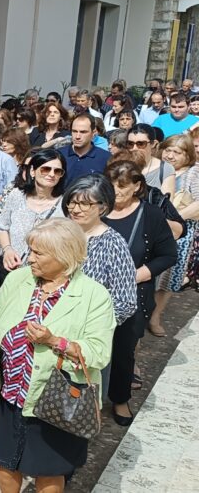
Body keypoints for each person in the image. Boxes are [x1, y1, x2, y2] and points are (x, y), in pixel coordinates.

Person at [0, 218, 115, 493]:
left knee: (49, 469)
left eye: (39, 253)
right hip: (13, 392)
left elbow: (99, 352)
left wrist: (54, 341)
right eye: (31, 250)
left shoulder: (94, 296)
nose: (31, 259)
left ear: (64, 256)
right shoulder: (19, 279)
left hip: (55, 398)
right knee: (5, 461)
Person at [102, 161, 177, 424]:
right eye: (111, 185)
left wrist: (134, 276)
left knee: (123, 349)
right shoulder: (96, 209)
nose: (117, 191)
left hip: (132, 294)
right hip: (94, 293)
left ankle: (120, 399)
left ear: (137, 186)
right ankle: (87, 398)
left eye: (123, 186)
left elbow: (168, 255)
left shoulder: (150, 215)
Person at [62, 174, 138, 326]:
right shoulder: (59, 233)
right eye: (72, 202)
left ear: (102, 207)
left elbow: (125, 302)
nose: (76, 210)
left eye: (85, 204)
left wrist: (88, 324)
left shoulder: (113, 244)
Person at [0, 149, 67, 287]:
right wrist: (8, 250)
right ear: (33, 171)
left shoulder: (65, 204)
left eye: (57, 171)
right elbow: (2, 227)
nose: (52, 174)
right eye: (46, 169)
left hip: (46, 277)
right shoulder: (16, 195)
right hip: (12, 271)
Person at [151, 136, 199, 336]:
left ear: (187, 155)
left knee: (168, 277)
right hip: (152, 229)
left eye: (177, 152)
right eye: (167, 149)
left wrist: (174, 220)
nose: (170, 155)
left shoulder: (193, 174)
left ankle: (155, 316)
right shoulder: (156, 168)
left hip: (180, 233)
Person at [59, 114, 111, 183]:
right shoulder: (59, 155)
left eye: (83, 132)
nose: (77, 136)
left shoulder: (106, 158)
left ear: (93, 133)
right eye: (74, 131)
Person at [127, 124, 175, 194]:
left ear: (153, 144)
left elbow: (165, 203)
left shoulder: (165, 169)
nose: (134, 148)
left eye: (140, 144)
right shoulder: (120, 166)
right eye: (130, 143)